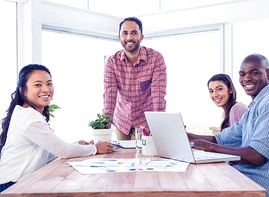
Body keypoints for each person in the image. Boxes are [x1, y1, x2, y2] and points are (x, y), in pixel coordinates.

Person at [188, 54, 269, 197]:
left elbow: (257, 156)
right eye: (242, 74)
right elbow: (219, 139)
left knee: (192, 185)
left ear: (268, 73)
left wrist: (210, 148)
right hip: (244, 178)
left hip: (259, 187)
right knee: (195, 179)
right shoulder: (253, 109)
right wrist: (183, 135)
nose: (246, 78)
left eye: (254, 73)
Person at [0, 64, 114, 193]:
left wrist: (76, 145)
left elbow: (46, 154)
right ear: (22, 90)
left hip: (15, 183)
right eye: (38, 85)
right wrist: (95, 149)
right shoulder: (29, 116)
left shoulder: (25, 113)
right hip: (11, 186)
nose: (46, 89)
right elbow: (63, 151)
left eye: (49, 83)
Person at [103, 17, 167, 140]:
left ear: (141, 37)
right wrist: (104, 129)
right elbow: (109, 96)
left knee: (145, 157)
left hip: (145, 123)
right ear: (119, 37)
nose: (129, 38)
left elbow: (158, 96)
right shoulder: (112, 62)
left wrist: (158, 127)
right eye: (125, 33)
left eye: (134, 33)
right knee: (121, 157)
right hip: (121, 121)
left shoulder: (156, 58)